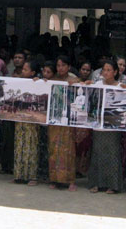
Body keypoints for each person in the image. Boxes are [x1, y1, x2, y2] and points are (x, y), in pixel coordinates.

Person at [88, 60, 123, 194]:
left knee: (112, 153)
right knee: (97, 152)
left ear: (115, 72)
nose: (106, 72)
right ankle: (96, 183)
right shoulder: (97, 84)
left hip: (113, 124)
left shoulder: (121, 86)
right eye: (104, 70)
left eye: (109, 70)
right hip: (98, 123)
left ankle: (112, 185)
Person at [48, 55, 79, 192]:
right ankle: (55, 178)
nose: (60, 68)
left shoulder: (74, 80)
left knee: (68, 149)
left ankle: (69, 180)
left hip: (68, 120)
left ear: (69, 67)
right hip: (54, 119)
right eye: (58, 66)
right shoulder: (52, 80)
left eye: (63, 65)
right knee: (54, 148)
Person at [13, 59, 41, 186]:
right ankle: (19, 174)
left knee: (31, 146)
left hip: (32, 120)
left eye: (25, 69)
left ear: (32, 72)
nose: (22, 71)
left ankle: (32, 176)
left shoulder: (38, 83)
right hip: (20, 118)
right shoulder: (19, 81)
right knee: (19, 145)